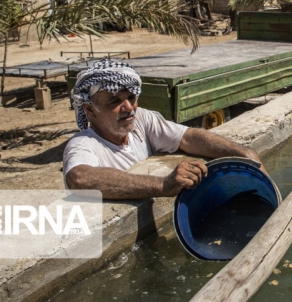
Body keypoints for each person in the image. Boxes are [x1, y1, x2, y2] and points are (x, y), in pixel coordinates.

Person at [63, 59, 265, 199]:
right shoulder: (83, 144)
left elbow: (188, 137)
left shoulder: (141, 119)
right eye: (114, 101)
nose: (128, 108)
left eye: (131, 98)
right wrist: (163, 185)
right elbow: (80, 178)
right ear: (90, 109)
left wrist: (245, 153)